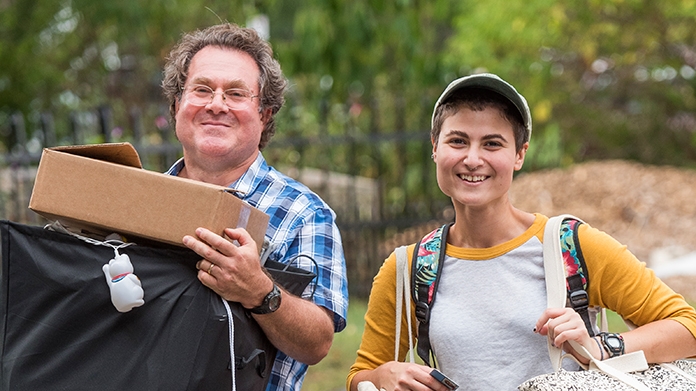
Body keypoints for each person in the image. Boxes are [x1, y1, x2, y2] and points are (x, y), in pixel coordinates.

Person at [347, 73, 696, 391]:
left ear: (519, 155)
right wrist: (380, 377)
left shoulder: (571, 247)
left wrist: (601, 346)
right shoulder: (408, 269)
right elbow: (360, 375)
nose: (472, 158)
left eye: (492, 144)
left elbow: (688, 327)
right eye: (458, 141)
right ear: (435, 147)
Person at [160, 23, 349, 391]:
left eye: (235, 93)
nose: (216, 105)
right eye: (201, 89)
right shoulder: (138, 198)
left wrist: (258, 290)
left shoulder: (305, 214)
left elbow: (317, 342)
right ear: (176, 104)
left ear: (264, 114)